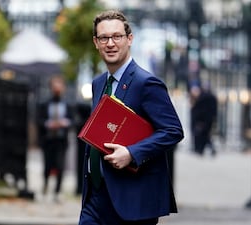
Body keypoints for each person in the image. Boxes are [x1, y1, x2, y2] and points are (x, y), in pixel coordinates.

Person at [78, 10, 184, 225]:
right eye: (104, 38)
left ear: (129, 39)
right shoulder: (98, 83)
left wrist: (132, 153)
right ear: (96, 43)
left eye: (117, 36)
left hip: (132, 201)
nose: (110, 43)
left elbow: (173, 131)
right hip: (95, 199)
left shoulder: (147, 83)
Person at [36, 75, 73, 202]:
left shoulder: (68, 104)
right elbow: (38, 120)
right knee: (47, 165)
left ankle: (57, 191)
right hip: (48, 139)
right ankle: (45, 186)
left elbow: (74, 120)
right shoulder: (44, 104)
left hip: (61, 140)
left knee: (60, 166)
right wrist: (48, 124)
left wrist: (65, 123)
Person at [189, 83, 218, 156]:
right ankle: (205, 149)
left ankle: (201, 149)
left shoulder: (202, 98)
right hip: (209, 119)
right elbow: (214, 110)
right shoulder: (212, 97)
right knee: (206, 134)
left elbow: (199, 110)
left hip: (202, 120)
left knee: (202, 134)